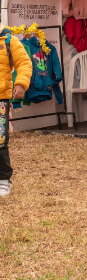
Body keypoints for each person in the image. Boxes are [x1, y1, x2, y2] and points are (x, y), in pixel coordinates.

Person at [0, 30, 32, 197]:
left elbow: (25, 63)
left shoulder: (8, 40)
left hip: (1, 99)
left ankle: (4, 180)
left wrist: (20, 84)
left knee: (0, 140)